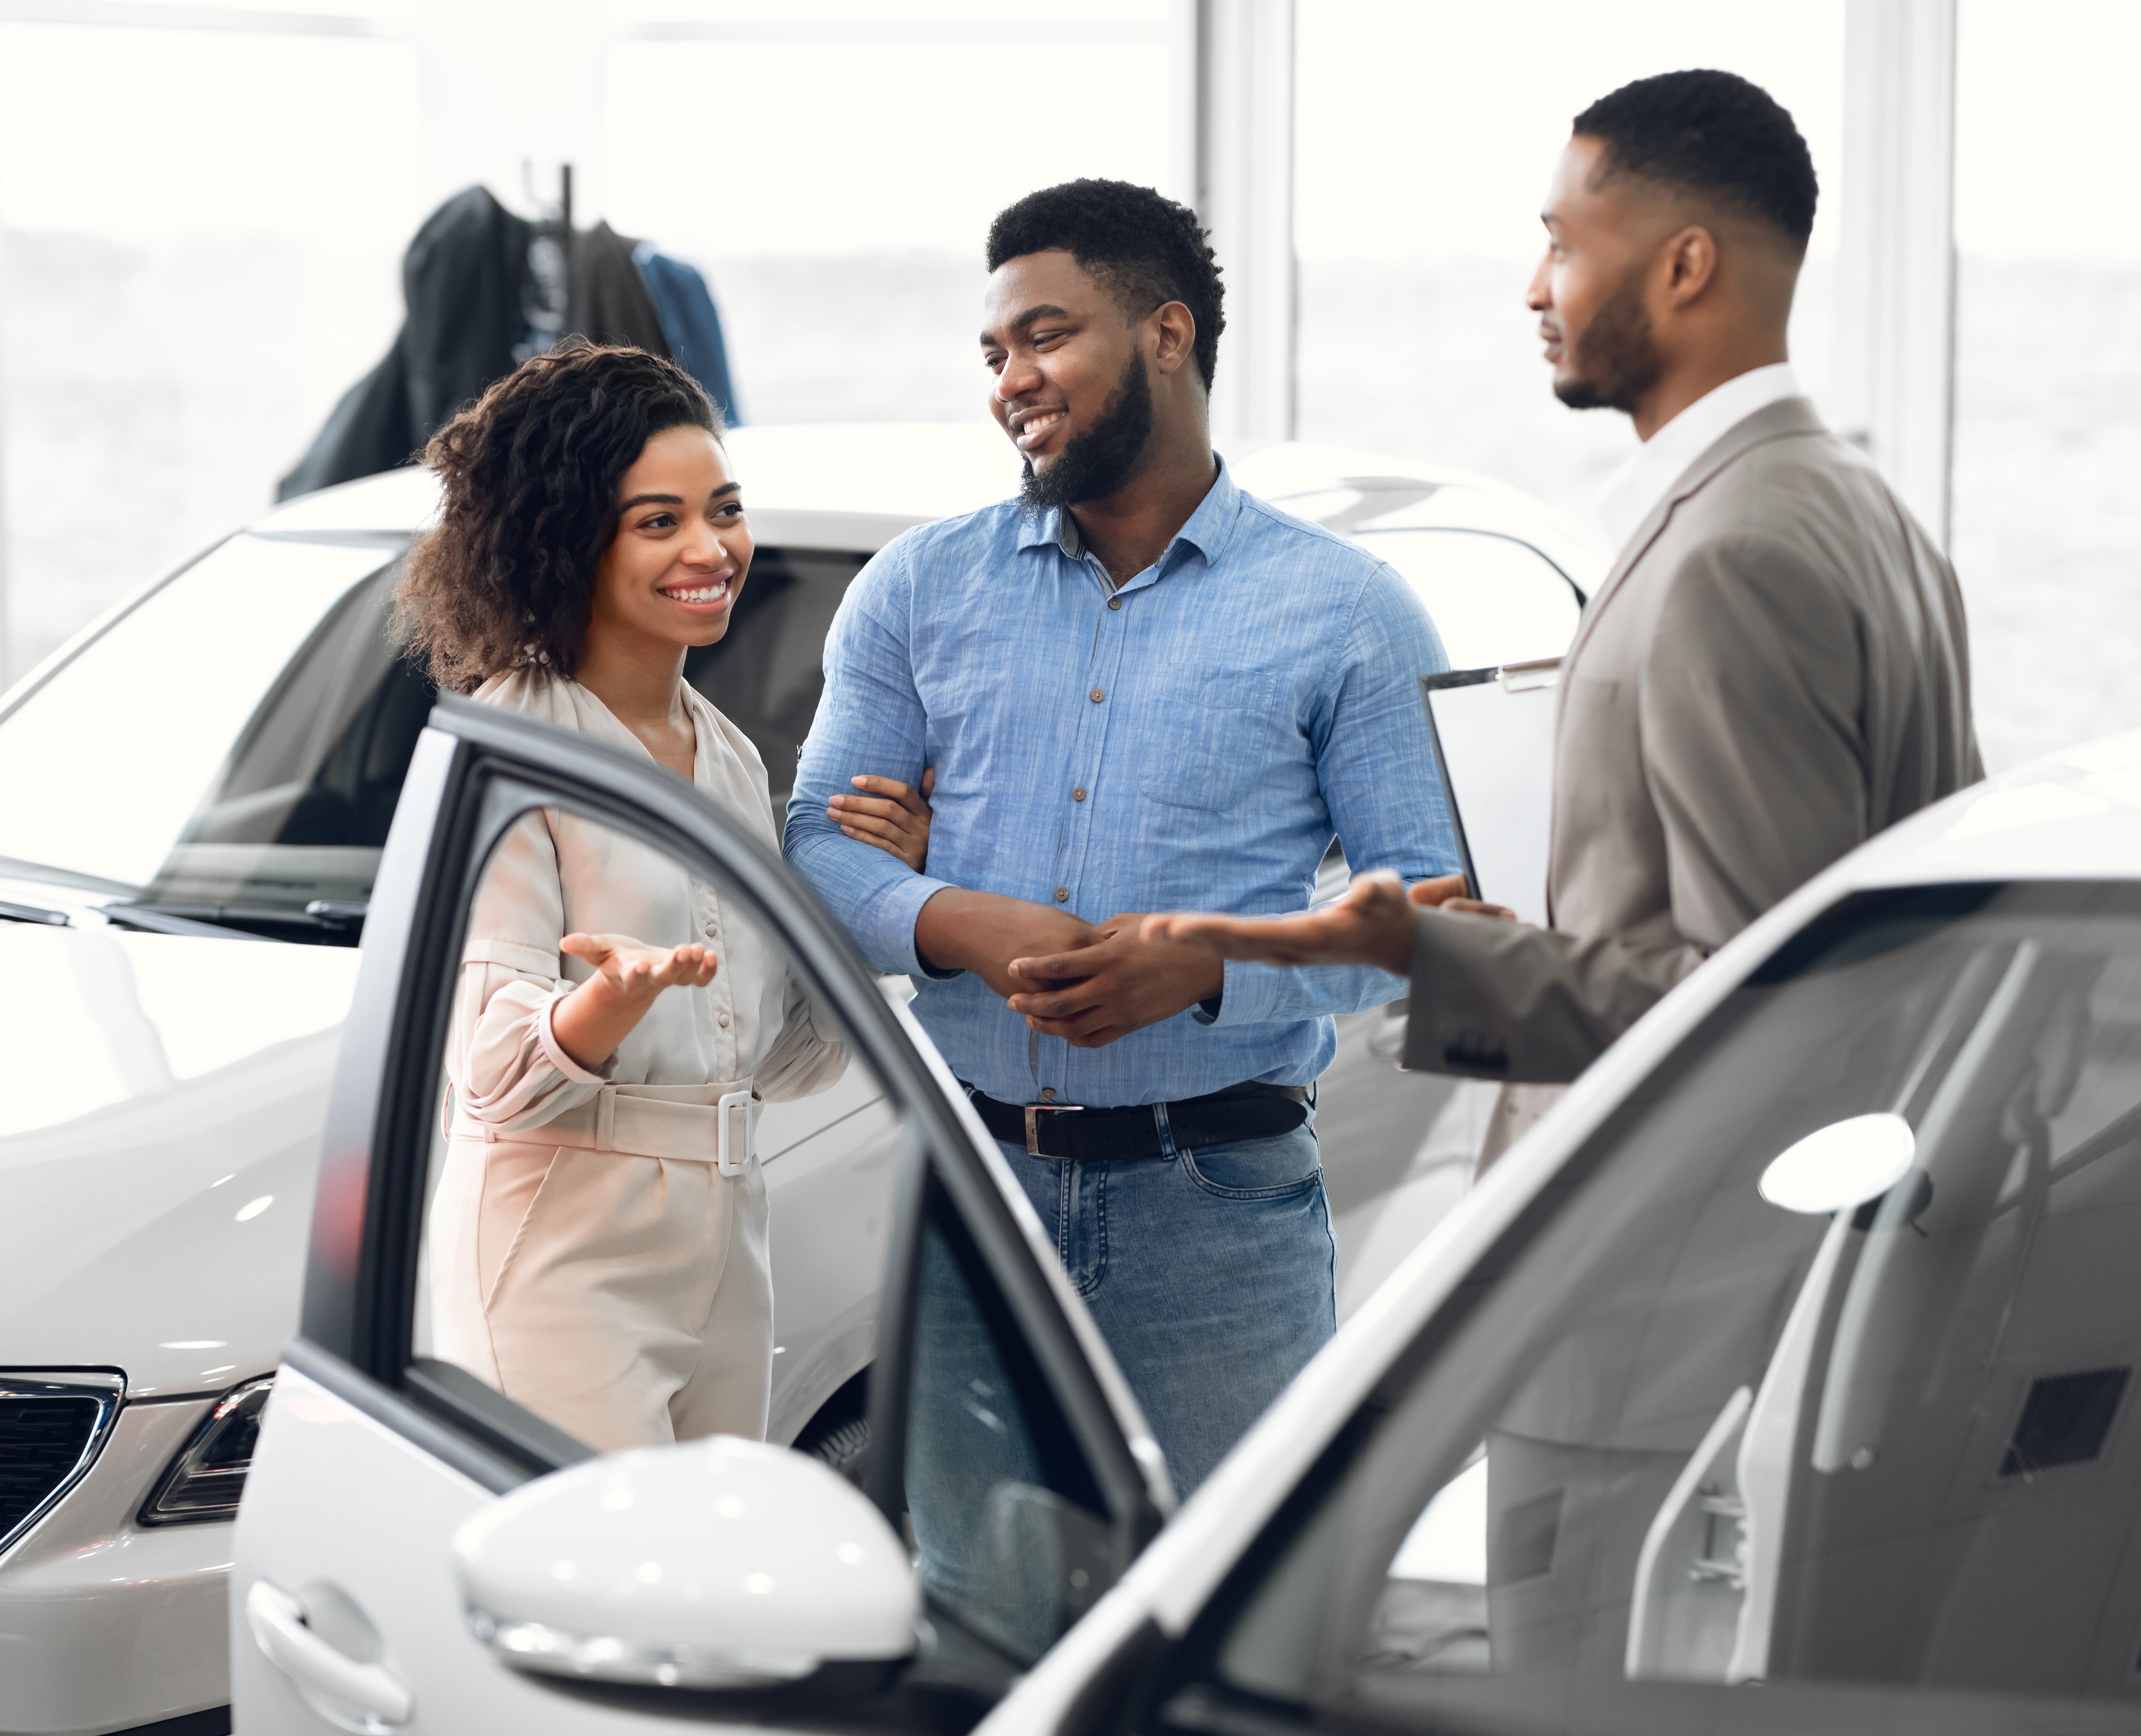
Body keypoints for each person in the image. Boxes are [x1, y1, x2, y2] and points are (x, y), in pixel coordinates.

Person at [1156, 70, 1982, 1157]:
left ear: (1685, 265)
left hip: (1681, 1246)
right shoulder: (1855, 506)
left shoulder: (1729, 556)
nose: (1536, 290)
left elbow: (1759, 1002)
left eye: (1564, 245)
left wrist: (1424, 954)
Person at [784, 179, 1455, 1496]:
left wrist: (1208, 970)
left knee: (1213, 1629)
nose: (1010, 381)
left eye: (1045, 337)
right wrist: (953, 920)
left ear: (1166, 334)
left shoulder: (1348, 611)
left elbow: (1430, 915)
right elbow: (814, 841)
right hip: (972, 1199)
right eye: (993, 353)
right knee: (984, 1626)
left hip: (1220, 1208)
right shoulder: (918, 589)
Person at [404, 343, 853, 1451]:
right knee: (595, 1600)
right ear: (569, 537)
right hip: (560, 1242)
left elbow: (791, 1062)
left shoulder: (733, 759)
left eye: (725, 512)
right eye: (660, 522)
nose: (711, 550)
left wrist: (864, 894)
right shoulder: (508, 746)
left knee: (703, 1602)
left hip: (725, 1241)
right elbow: (496, 1075)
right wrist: (613, 1005)